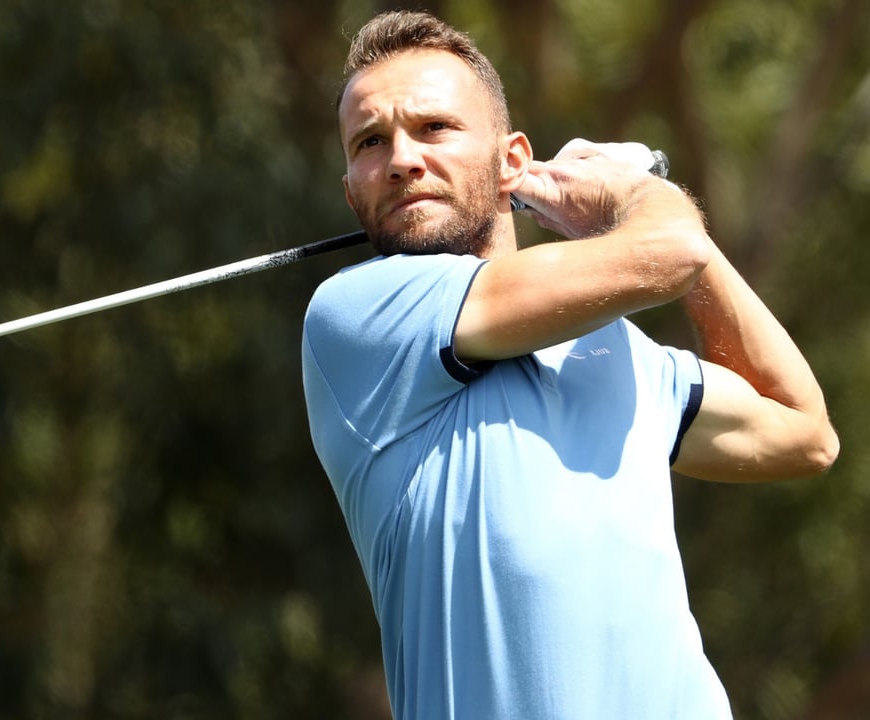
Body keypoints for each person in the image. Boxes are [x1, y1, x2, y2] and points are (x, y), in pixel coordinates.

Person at [300, 10, 839, 719]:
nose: (402, 158)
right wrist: (637, 193)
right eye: (371, 142)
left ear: (513, 163)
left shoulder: (623, 352)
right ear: (351, 190)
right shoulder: (359, 315)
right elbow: (671, 251)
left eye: (434, 127)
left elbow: (805, 432)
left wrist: (666, 227)